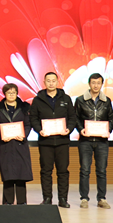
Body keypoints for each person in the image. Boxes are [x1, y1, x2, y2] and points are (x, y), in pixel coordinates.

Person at [29, 71, 76, 208]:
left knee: (63, 171)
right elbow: (33, 118)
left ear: (57, 82)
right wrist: (39, 130)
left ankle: (63, 199)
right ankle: (47, 198)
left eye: (53, 81)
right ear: (44, 82)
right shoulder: (38, 100)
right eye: (48, 81)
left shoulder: (65, 98)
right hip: (45, 142)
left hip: (62, 141)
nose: (51, 83)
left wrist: (69, 129)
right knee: (46, 171)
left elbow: (72, 117)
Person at [73, 72, 113, 209]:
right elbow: (75, 118)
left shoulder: (106, 100)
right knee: (85, 170)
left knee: (101, 170)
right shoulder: (80, 100)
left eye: (98, 83)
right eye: (93, 83)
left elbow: (111, 119)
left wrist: (108, 130)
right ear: (89, 84)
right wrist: (81, 130)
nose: (96, 85)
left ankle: (101, 198)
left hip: (102, 141)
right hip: (85, 141)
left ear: (102, 84)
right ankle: (84, 198)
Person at [0, 83, 32, 205]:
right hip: (6, 145)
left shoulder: (24, 107)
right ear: (4, 94)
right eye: (8, 93)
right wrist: (1, 135)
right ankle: (7, 202)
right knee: (8, 173)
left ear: (17, 93)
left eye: (13, 92)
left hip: (21, 144)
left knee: (21, 173)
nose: (11, 95)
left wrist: (23, 135)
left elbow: (28, 124)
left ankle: (22, 202)